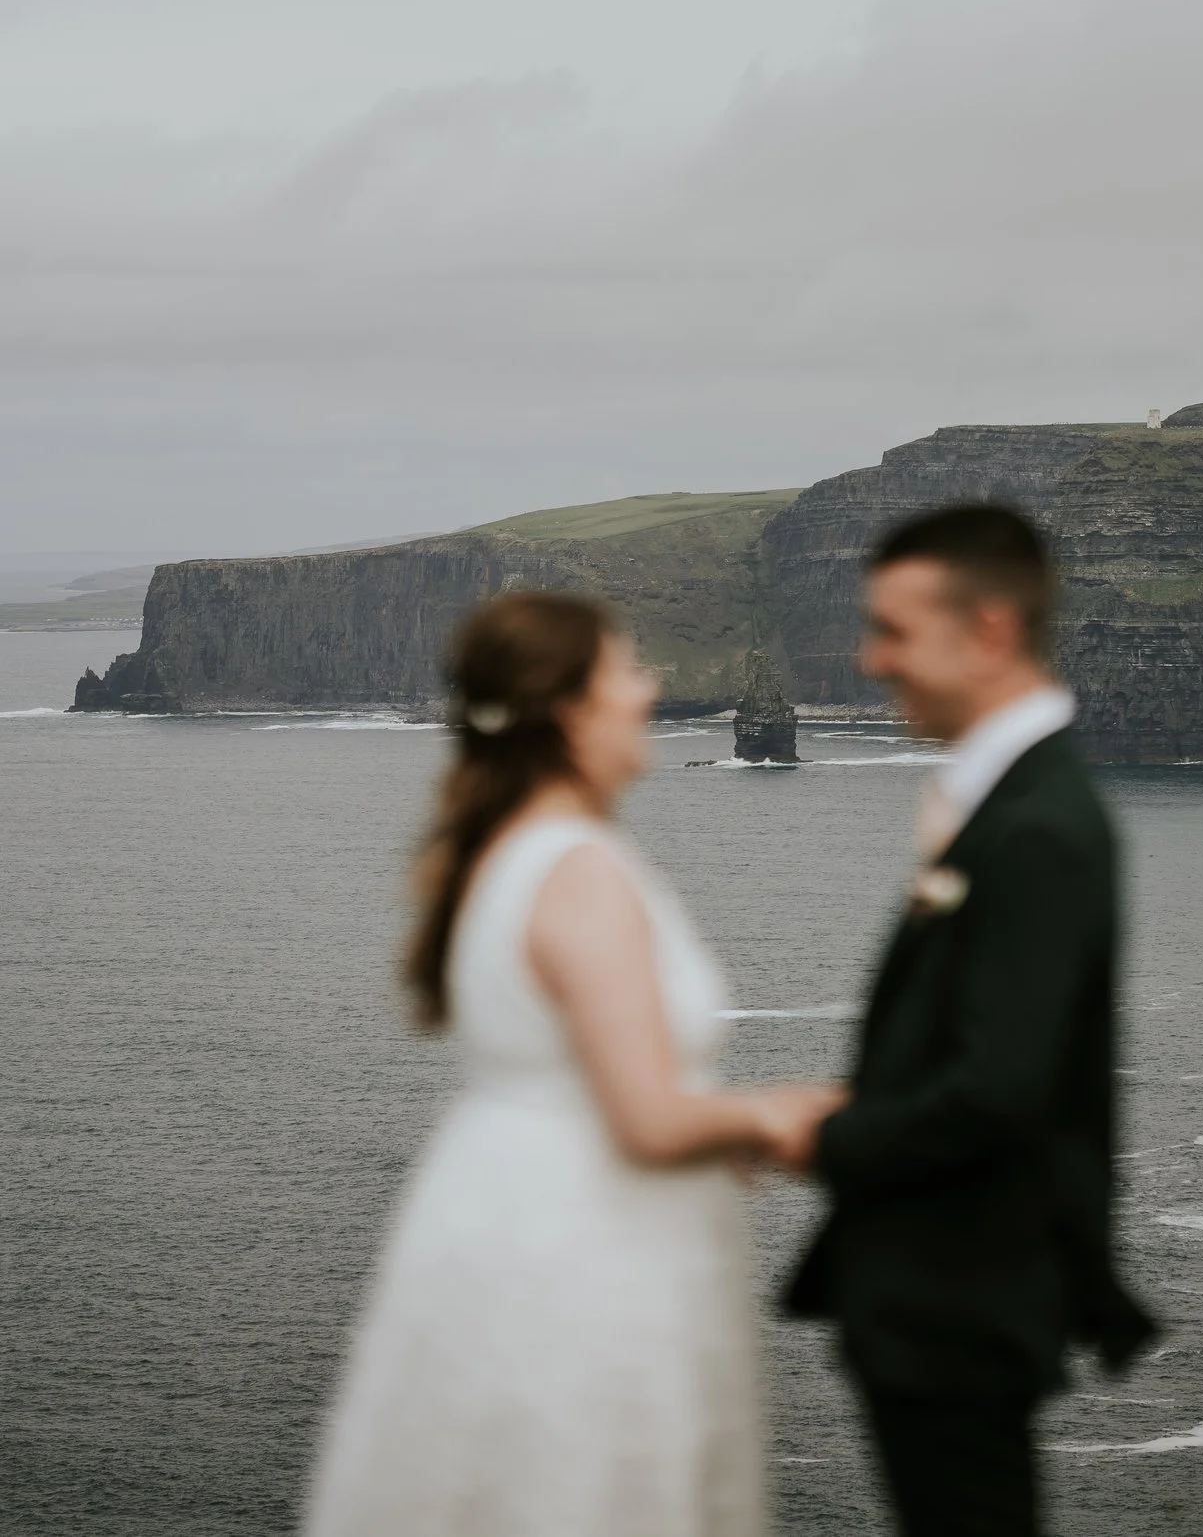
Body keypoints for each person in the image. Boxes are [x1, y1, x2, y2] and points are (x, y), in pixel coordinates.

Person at [301, 590, 842, 1537]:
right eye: (625, 671)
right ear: (567, 711)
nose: (650, 689)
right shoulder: (580, 869)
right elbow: (646, 1120)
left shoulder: (497, 855)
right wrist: (784, 1113)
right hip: (584, 1248)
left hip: (499, 1216)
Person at [783, 505, 1158, 1537]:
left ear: (989, 629)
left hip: (961, 1296)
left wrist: (824, 1136)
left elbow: (999, 1087)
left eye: (893, 630)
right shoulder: (1006, 801)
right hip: (943, 1298)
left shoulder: (1038, 826)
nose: (869, 661)